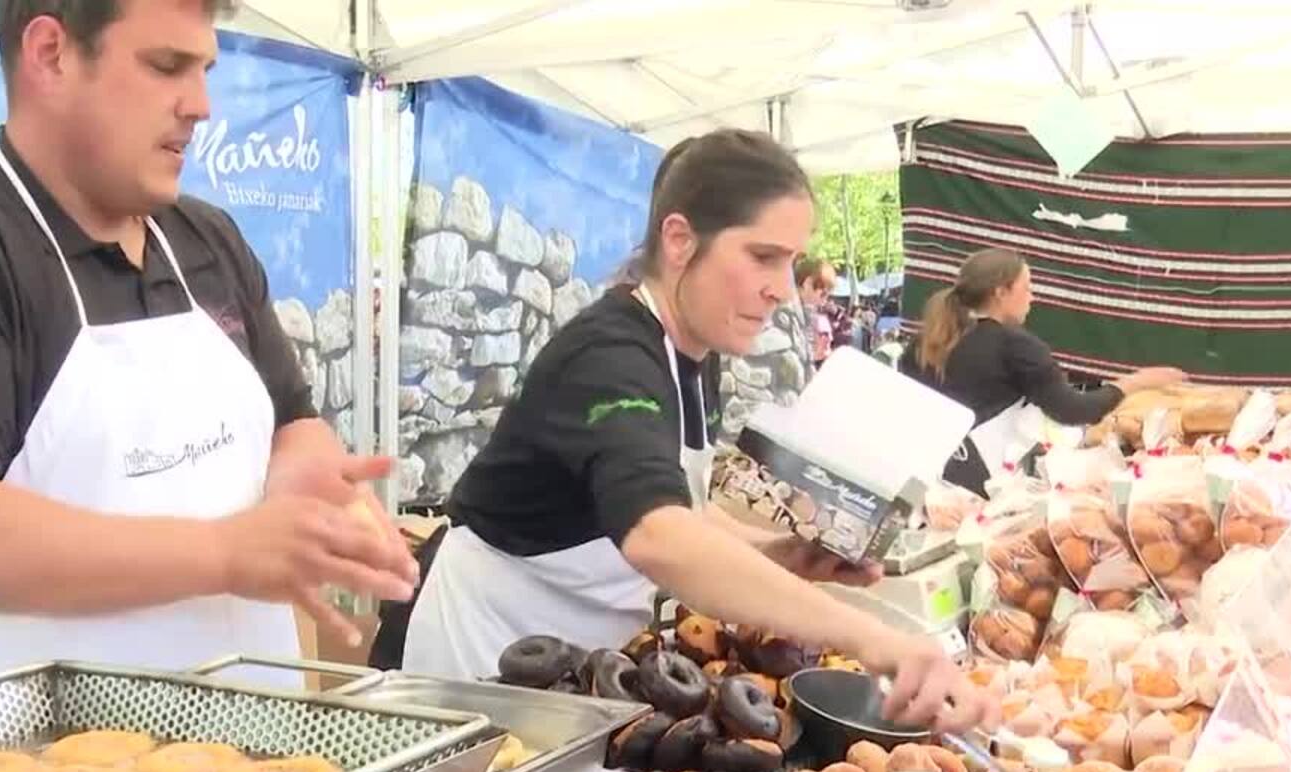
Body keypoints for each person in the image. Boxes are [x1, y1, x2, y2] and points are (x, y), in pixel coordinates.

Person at [0, 0, 416, 701]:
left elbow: (294, 422)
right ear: (50, 53)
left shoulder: (206, 242)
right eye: (166, 66)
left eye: (205, 70)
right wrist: (226, 553)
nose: (201, 106)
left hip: (234, 753)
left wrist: (300, 486)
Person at [401, 130, 997, 734]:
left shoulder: (693, 355)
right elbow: (659, 537)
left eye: (791, 261)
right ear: (680, 240)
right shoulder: (610, 356)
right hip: (474, 661)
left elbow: (679, 503)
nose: (783, 289)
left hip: (563, 678)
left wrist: (779, 557)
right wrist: (876, 638)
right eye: (763, 257)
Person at [901, 248, 1184, 493]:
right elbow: (1073, 411)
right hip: (984, 486)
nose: (1032, 298)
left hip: (923, 479)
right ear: (1001, 292)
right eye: (1027, 288)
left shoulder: (923, 342)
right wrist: (1135, 382)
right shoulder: (1014, 345)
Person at [721, 256, 834, 439]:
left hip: (753, 412)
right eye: (823, 293)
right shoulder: (785, 313)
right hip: (755, 416)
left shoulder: (795, 315)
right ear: (807, 283)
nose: (825, 300)